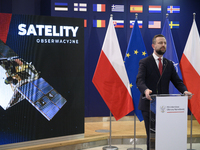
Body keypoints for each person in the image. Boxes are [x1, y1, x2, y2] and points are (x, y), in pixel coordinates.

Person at [136, 34, 192, 150]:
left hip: (165, 107)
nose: (163, 45)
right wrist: (146, 90)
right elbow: (139, 80)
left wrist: (184, 91)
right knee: (152, 137)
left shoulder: (169, 64)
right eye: (160, 43)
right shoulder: (145, 62)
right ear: (153, 45)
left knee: (164, 135)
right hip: (149, 106)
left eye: (165, 43)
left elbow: (177, 81)